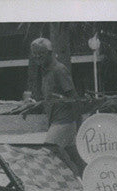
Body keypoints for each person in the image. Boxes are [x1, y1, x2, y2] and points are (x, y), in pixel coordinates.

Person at [22, 37, 84, 174]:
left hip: (64, 121)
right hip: (57, 121)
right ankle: (90, 182)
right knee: (73, 158)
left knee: (48, 153)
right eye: (35, 55)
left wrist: (79, 124)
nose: (38, 58)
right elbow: (49, 100)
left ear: (50, 53)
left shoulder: (59, 70)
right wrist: (32, 106)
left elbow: (74, 98)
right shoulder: (46, 71)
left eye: (41, 54)